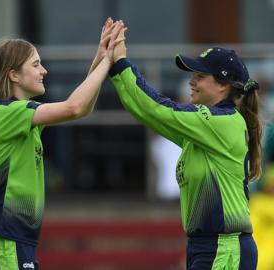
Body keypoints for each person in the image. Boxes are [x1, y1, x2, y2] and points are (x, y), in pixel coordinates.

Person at [0, 18, 124, 269]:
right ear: (14, 74)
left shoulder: (19, 114)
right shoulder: (5, 113)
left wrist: (100, 55)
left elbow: (80, 109)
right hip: (2, 240)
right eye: (36, 64)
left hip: (14, 240)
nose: (44, 71)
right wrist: (108, 60)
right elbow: (74, 107)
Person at [107, 23, 260, 269]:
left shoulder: (220, 123)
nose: (192, 82)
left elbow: (158, 107)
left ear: (223, 84)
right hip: (208, 246)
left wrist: (122, 62)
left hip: (224, 247)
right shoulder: (202, 131)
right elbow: (147, 113)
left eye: (200, 76)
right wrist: (114, 66)